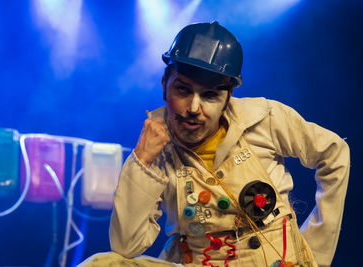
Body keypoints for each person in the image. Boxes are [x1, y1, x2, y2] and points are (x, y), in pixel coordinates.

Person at [79, 21, 350, 267]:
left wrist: (316, 249)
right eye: (182, 90)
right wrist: (141, 162)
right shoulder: (156, 148)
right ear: (165, 85)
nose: (194, 108)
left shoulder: (264, 119)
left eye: (209, 95)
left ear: (228, 96)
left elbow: (335, 152)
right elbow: (127, 246)